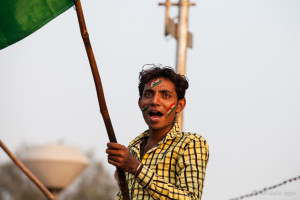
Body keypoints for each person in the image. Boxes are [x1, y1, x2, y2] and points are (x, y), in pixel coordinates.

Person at [106, 66, 209, 200]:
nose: (154, 101)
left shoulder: (191, 143)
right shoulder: (133, 149)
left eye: (165, 95)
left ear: (180, 105)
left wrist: (137, 168)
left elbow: (190, 198)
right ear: (140, 103)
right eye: (148, 94)